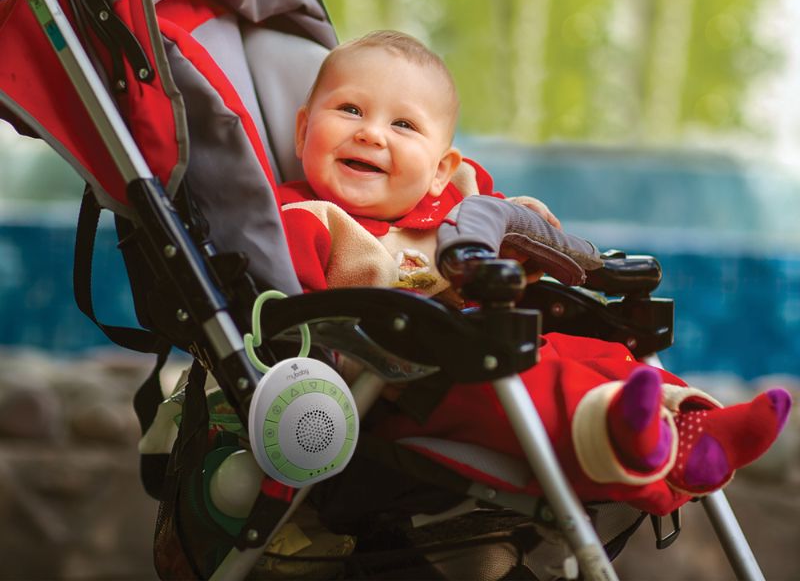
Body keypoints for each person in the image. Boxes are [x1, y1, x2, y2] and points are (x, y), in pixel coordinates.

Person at [278, 29, 791, 516]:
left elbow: (507, 229)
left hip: (496, 339)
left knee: (599, 349)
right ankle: (622, 433)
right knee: (531, 381)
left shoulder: (458, 205)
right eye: (349, 110)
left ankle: (692, 421)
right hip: (408, 382)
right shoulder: (310, 220)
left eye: (403, 125)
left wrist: (529, 233)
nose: (370, 133)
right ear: (304, 131)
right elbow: (292, 323)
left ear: (439, 170)